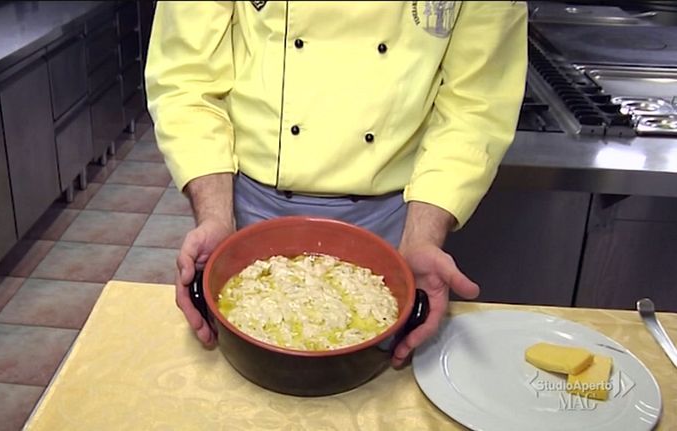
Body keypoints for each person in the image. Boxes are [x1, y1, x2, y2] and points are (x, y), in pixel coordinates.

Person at [145, 1, 527, 367]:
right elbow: (186, 77)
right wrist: (215, 216)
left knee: (374, 384)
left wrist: (422, 237)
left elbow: (477, 103)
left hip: (397, 225)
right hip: (248, 215)